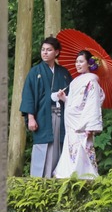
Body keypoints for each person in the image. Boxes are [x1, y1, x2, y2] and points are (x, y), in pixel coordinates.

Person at [20, 36, 73, 178]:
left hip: (61, 116)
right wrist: (31, 118)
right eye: (43, 50)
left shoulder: (64, 73)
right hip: (43, 116)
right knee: (42, 147)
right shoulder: (34, 72)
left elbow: (72, 96)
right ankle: (38, 182)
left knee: (59, 146)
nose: (45, 52)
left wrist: (63, 96)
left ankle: (57, 178)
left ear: (56, 52)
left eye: (49, 50)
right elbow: (28, 95)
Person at [52, 49, 105, 179]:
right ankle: (69, 175)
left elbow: (92, 104)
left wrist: (90, 126)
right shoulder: (75, 81)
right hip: (71, 121)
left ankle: (84, 176)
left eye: (81, 62)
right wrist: (64, 98)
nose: (78, 64)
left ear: (89, 63)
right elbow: (75, 102)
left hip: (82, 122)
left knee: (83, 149)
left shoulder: (92, 81)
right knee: (70, 147)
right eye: (76, 62)